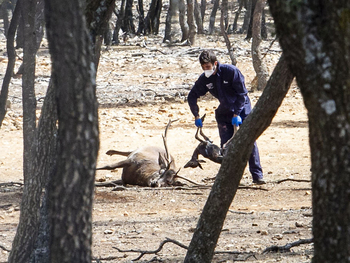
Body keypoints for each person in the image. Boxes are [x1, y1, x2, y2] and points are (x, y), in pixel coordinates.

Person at [187, 49, 265, 184]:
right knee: (226, 144)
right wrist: (196, 116)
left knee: (248, 141)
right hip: (224, 110)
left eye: (208, 66)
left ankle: (257, 176)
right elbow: (192, 96)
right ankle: (230, 177)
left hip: (242, 108)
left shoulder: (231, 71)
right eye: (203, 67)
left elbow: (242, 94)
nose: (206, 69)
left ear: (215, 63)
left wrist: (236, 114)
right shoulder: (205, 78)